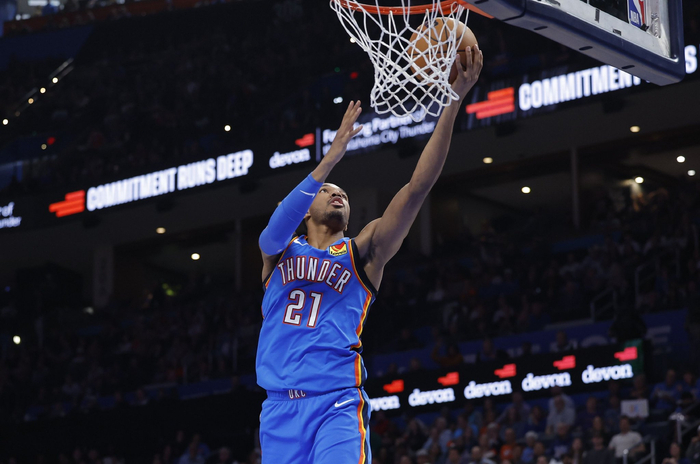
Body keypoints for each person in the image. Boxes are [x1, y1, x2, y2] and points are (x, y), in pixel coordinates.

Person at [255, 49, 484, 464]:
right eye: (328, 190)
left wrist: (453, 102)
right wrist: (329, 160)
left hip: (336, 402)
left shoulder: (363, 250)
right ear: (304, 207)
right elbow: (272, 231)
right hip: (279, 411)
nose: (337, 193)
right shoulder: (279, 252)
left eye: (342, 192)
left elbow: (416, 188)